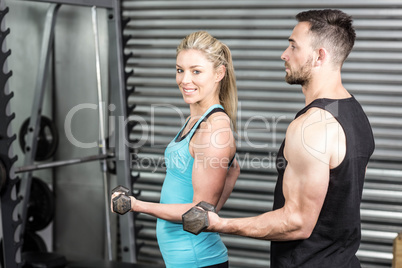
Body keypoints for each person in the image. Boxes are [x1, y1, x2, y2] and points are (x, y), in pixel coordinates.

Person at [203, 9, 375, 267]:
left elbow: (297, 223)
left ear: (319, 56)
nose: (284, 54)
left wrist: (220, 224)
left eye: (293, 46)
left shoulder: (312, 127)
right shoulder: (354, 111)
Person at [111, 31, 240, 268]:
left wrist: (135, 204)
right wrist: (213, 205)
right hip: (183, 257)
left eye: (196, 71)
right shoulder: (196, 119)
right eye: (180, 70)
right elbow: (233, 170)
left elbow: (199, 212)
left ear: (219, 73)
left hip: (196, 259)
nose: (185, 80)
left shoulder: (214, 128)